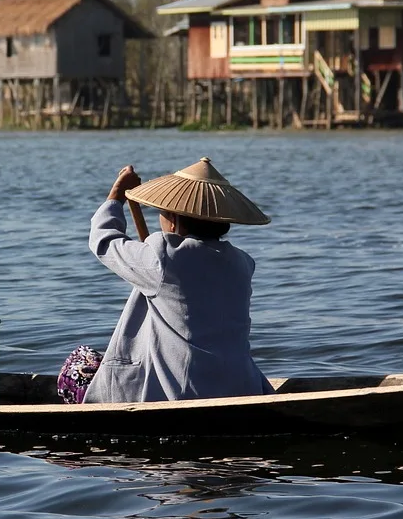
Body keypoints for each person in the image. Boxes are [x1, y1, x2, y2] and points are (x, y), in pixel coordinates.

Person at [59, 157, 275, 404]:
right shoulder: (242, 263)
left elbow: (104, 242)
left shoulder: (163, 256)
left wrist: (116, 196)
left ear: (175, 219)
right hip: (242, 386)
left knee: (77, 363)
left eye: (163, 212)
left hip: (182, 394)